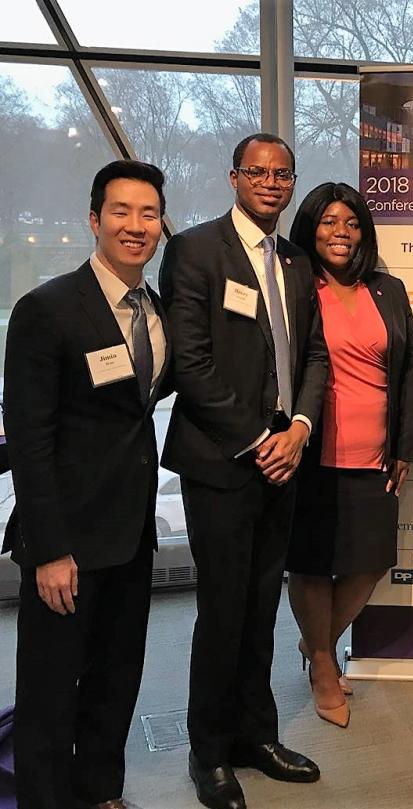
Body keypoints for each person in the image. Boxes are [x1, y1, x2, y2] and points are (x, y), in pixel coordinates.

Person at [160, 133, 329, 809]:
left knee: (262, 610)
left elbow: (312, 355)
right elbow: (191, 364)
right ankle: (210, 752)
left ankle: (257, 735)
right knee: (224, 610)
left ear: (292, 183)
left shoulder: (293, 258)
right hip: (223, 462)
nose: (269, 182)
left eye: (281, 173)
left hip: (284, 460)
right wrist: (262, 436)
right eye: (256, 172)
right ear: (234, 178)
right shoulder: (196, 250)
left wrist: (299, 429)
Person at [3, 160, 170, 809]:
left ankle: (102, 792)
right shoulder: (47, 309)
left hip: (131, 536)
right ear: (95, 219)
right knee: (49, 693)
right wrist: (49, 548)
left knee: (115, 680)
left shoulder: (155, 312)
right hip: (65, 543)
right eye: (122, 211)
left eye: (148, 213)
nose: (136, 225)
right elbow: (29, 435)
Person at [285, 182, 413, 728]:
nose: (340, 233)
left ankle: (316, 641)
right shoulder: (296, 285)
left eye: (351, 223)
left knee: (368, 564)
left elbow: (409, 369)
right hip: (312, 450)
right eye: (328, 222)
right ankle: (323, 664)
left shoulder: (387, 289)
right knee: (313, 564)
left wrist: (405, 445)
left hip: (375, 452)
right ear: (310, 228)